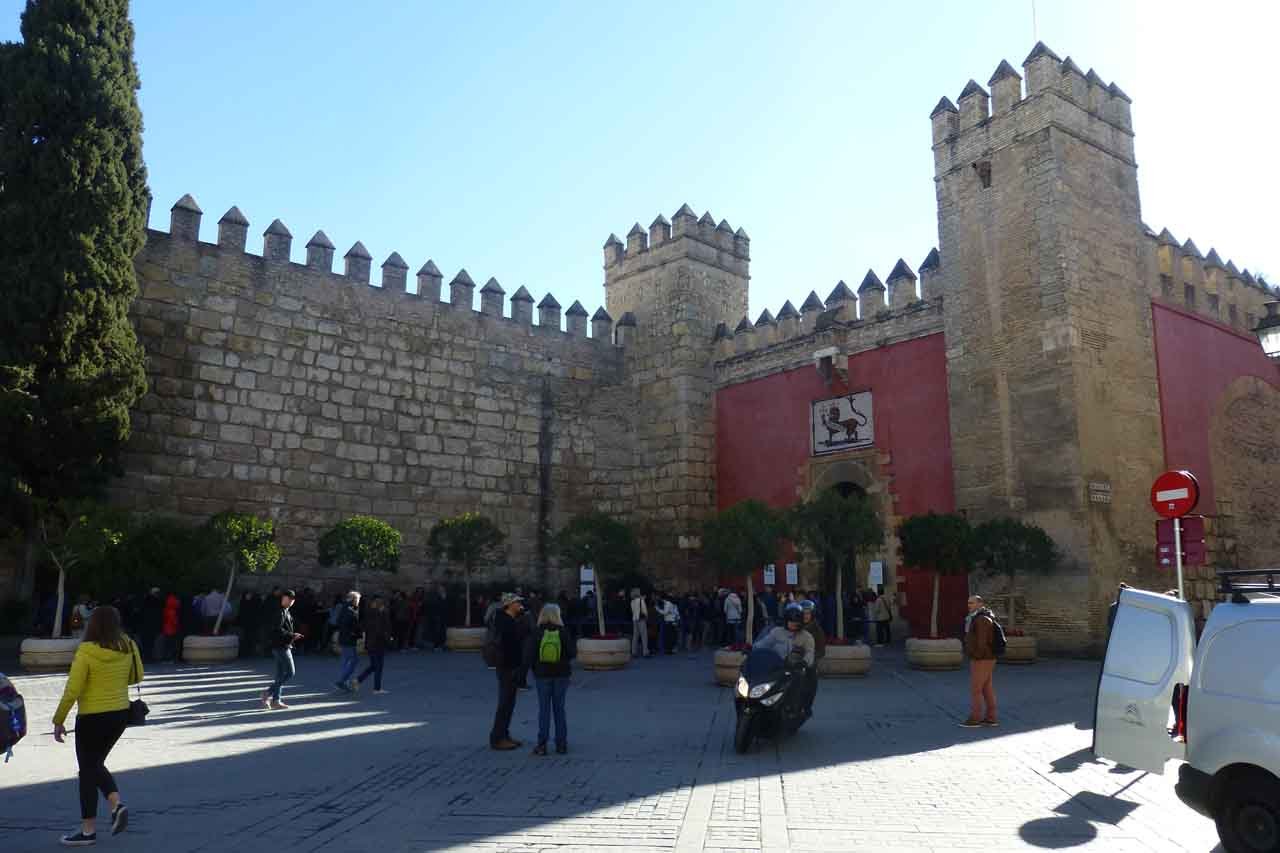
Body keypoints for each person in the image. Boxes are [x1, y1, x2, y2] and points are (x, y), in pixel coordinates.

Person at [51, 606, 143, 846]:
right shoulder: (128, 645)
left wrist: (59, 719)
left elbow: (73, 689)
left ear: (92, 625)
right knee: (94, 765)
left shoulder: (86, 651)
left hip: (92, 717)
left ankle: (88, 831)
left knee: (87, 771)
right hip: (120, 715)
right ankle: (116, 805)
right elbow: (137, 677)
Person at [525, 603, 576, 755]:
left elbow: (529, 654)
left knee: (544, 710)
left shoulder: (537, 632)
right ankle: (561, 744)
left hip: (542, 675)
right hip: (561, 675)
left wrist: (533, 669)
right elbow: (572, 653)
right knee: (559, 709)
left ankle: (542, 745)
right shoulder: (563, 631)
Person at [755, 603, 816, 714]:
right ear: (786, 620)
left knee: (800, 678)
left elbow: (810, 653)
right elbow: (764, 643)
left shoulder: (806, 637)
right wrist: (751, 648)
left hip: (794, 670)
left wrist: (804, 662)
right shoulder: (777, 632)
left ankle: (794, 708)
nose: (793, 623)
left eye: (796, 620)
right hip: (775, 668)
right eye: (791, 620)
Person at [490, 593, 526, 750]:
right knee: (505, 703)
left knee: (509, 703)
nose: (520, 604)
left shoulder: (509, 620)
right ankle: (497, 738)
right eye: (517, 602)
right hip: (507, 667)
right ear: (509, 605)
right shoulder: (505, 622)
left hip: (510, 667)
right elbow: (507, 646)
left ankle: (504, 734)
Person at [961, 594, 999, 728]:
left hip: (982, 658)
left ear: (980, 604)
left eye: (972, 603)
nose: (969, 605)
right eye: (968, 603)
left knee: (975, 689)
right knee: (986, 688)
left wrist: (976, 655)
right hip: (986, 657)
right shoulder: (978, 617)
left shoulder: (981, 619)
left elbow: (982, 642)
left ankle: (975, 719)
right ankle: (991, 718)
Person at [263, 589, 303, 709]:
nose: (290, 601)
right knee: (290, 672)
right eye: (287, 599)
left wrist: (292, 635)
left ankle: (276, 701)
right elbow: (277, 629)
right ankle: (268, 693)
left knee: (280, 675)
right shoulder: (280, 612)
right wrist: (292, 635)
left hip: (281, 646)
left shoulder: (285, 611)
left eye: (292, 600)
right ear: (283, 599)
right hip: (281, 647)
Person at [355, 595, 393, 694]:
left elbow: (383, 626)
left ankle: (359, 680)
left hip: (374, 643)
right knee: (378, 666)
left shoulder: (373, 612)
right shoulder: (376, 613)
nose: (380, 604)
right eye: (379, 602)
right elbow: (379, 627)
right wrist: (382, 613)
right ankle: (376, 688)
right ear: (374, 602)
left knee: (374, 665)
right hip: (376, 642)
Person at [799, 599, 825, 710]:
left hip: (808, 665)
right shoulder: (794, 626)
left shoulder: (817, 630)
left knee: (810, 686)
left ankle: (806, 708)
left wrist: (811, 658)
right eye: (803, 613)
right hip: (792, 662)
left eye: (808, 613)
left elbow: (821, 650)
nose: (805, 616)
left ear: (812, 614)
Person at [334, 592, 362, 693]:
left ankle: (343, 682)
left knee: (346, 661)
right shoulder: (350, 610)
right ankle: (341, 681)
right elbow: (351, 624)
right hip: (349, 639)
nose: (358, 601)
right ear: (353, 599)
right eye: (358, 599)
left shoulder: (344, 608)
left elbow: (338, 622)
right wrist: (356, 633)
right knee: (354, 660)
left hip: (345, 637)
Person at [630, 588, 649, 658]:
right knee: (644, 636)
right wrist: (646, 616)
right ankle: (645, 652)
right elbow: (644, 610)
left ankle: (634, 652)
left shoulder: (632, 601)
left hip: (634, 619)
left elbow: (632, 611)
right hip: (641, 619)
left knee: (635, 636)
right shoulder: (641, 600)